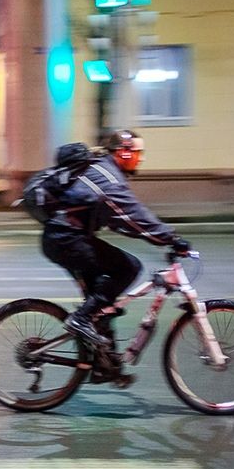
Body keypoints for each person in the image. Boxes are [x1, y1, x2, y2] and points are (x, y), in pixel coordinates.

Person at [41, 129, 191, 348]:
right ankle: (80, 320)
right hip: (67, 240)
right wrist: (171, 238)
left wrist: (153, 236)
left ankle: (103, 366)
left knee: (102, 309)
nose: (141, 158)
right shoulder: (108, 178)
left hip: (64, 238)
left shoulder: (101, 171)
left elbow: (120, 221)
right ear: (125, 152)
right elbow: (133, 214)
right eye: (138, 153)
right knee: (128, 267)